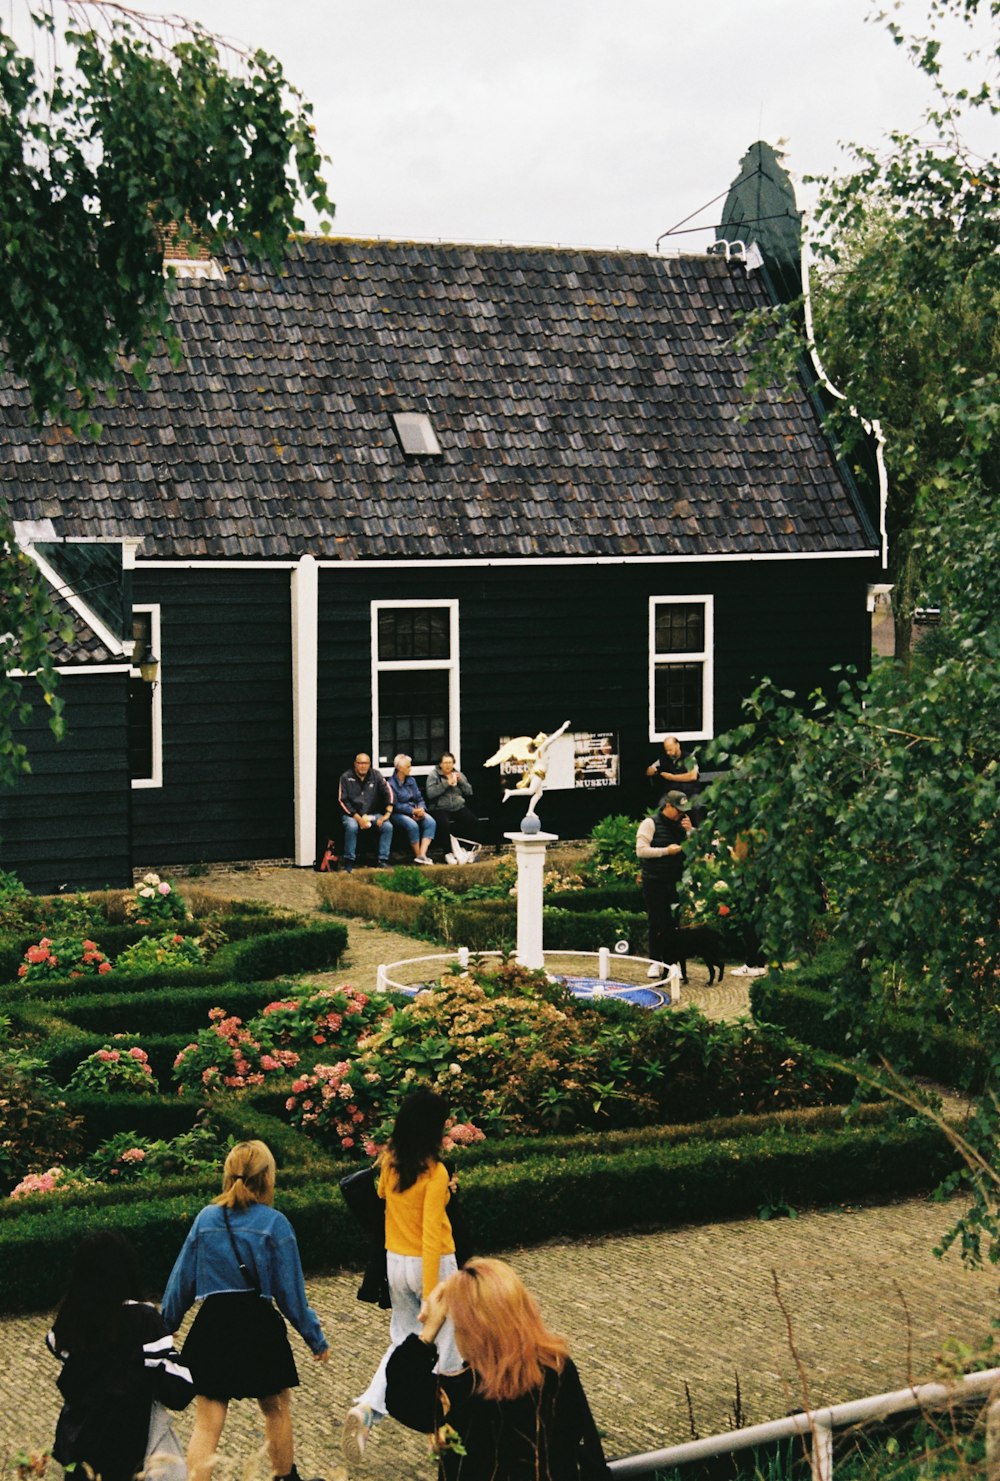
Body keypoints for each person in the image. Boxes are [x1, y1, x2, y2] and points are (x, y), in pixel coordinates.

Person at [161, 1140, 329, 1481]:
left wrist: (166, 1325)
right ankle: (285, 1478)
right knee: (276, 1409)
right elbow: (291, 1294)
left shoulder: (206, 1219)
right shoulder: (275, 1224)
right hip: (258, 1326)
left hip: (214, 1324)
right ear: (267, 1178)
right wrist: (315, 1339)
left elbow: (181, 1280)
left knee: (207, 1423)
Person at [385, 1257, 611, 1481]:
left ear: (472, 1332)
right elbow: (586, 1445)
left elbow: (401, 1395)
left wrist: (428, 1331)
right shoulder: (557, 1366)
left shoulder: (465, 1390)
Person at [342, 1088, 463, 1466]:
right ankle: (443, 1431)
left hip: (396, 1262)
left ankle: (366, 1410)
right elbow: (431, 1233)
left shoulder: (391, 1161)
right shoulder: (436, 1171)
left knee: (403, 1344)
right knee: (448, 1351)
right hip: (434, 1265)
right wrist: (432, 1293)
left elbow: (381, 1194)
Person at [47, 1230, 194, 1481]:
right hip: (132, 1451)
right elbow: (180, 1391)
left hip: (80, 1450)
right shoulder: (144, 1320)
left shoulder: (70, 1322)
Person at [636, 790, 693, 977]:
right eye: (678, 810)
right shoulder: (650, 823)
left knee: (673, 923)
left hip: (675, 881)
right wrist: (666, 851)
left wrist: (690, 832)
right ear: (668, 805)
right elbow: (641, 851)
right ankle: (654, 961)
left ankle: (672, 962)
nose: (680, 814)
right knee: (656, 921)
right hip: (654, 881)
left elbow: (695, 849)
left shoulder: (682, 825)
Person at [338, 752, 394, 872]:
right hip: (352, 815)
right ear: (355, 764)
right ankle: (349, 861)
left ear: (369, 764)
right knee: (352, 827)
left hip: (372, 814)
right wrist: (358, 818)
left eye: (365, 763)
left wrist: (387, 813)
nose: (363, 766)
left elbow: (388, 792)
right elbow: (342, 800)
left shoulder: (376, 775)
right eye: (360, 763)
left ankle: (383, 860)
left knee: (387, 827)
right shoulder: (346, 777)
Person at [426, 752, 480, 864]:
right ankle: (448, 852)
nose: (448, 765)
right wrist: (446, 784)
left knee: (472, 820)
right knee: (444, 824)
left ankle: (468, 850)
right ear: (440, 764)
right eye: (445, 763)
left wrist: (460, 781)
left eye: (450, 762)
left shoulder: (458, 774)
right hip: (440, 807)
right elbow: (430, 793)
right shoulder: (434, 775)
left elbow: (469, 791)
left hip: (457, 806)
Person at [389, 753, 437, 864]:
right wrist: (412, 811)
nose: (410, 769)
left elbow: (419, 797)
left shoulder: (412, 781)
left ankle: (422, 855)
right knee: (412, 825)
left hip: (415, 810)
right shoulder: (391, 784)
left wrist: (421, 809)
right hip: (398, 813)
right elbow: (395, 805)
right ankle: (418, 855)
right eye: (408, 766)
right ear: (399, 768)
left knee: (431, 822)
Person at [644, 736, 699, 804]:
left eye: (670, 749)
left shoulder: (689, 758)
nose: (668, 753)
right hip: (671, 794)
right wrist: (651, 771)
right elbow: (650, 769)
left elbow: (693, 776)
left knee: (697, 805)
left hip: (689, 793)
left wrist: (671, 777)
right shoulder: (663, 759)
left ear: (677, 745)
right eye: (666, 750)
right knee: (662, 804)